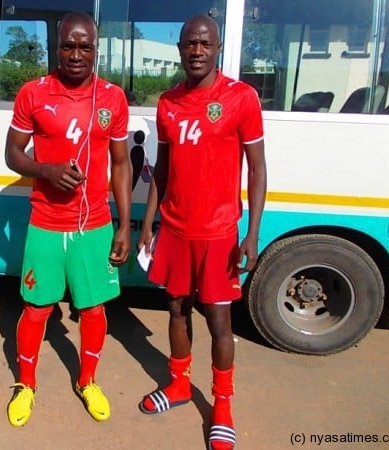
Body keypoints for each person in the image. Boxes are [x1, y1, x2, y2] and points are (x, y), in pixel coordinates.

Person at [137, 15, 266, 450]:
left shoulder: (241, 98)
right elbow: (163, 168)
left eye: (204, 43)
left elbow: (258, 167)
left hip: (218, 233)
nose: (196, 50)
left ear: (218, 47)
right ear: (179, 48)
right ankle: (177, 385)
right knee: (176, 309)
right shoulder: (168, 102)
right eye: (189, 43)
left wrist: (251, 233)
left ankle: (223, 406)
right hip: (174, 229)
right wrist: (149, 223)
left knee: (218, 319)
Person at [4, 11, 132, 427]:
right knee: (36, 308)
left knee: (93, 310)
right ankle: (26, 385)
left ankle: (88, 380)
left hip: (94, 225)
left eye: (85, 46)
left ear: (97, 48)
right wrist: (46, 170)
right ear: (55, 47)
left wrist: (125, 224)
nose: (76, 54)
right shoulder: (33, 93)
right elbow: (12, 154)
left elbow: (120, 164)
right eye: (68, 45)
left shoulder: (112, 97)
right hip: (45, 222)